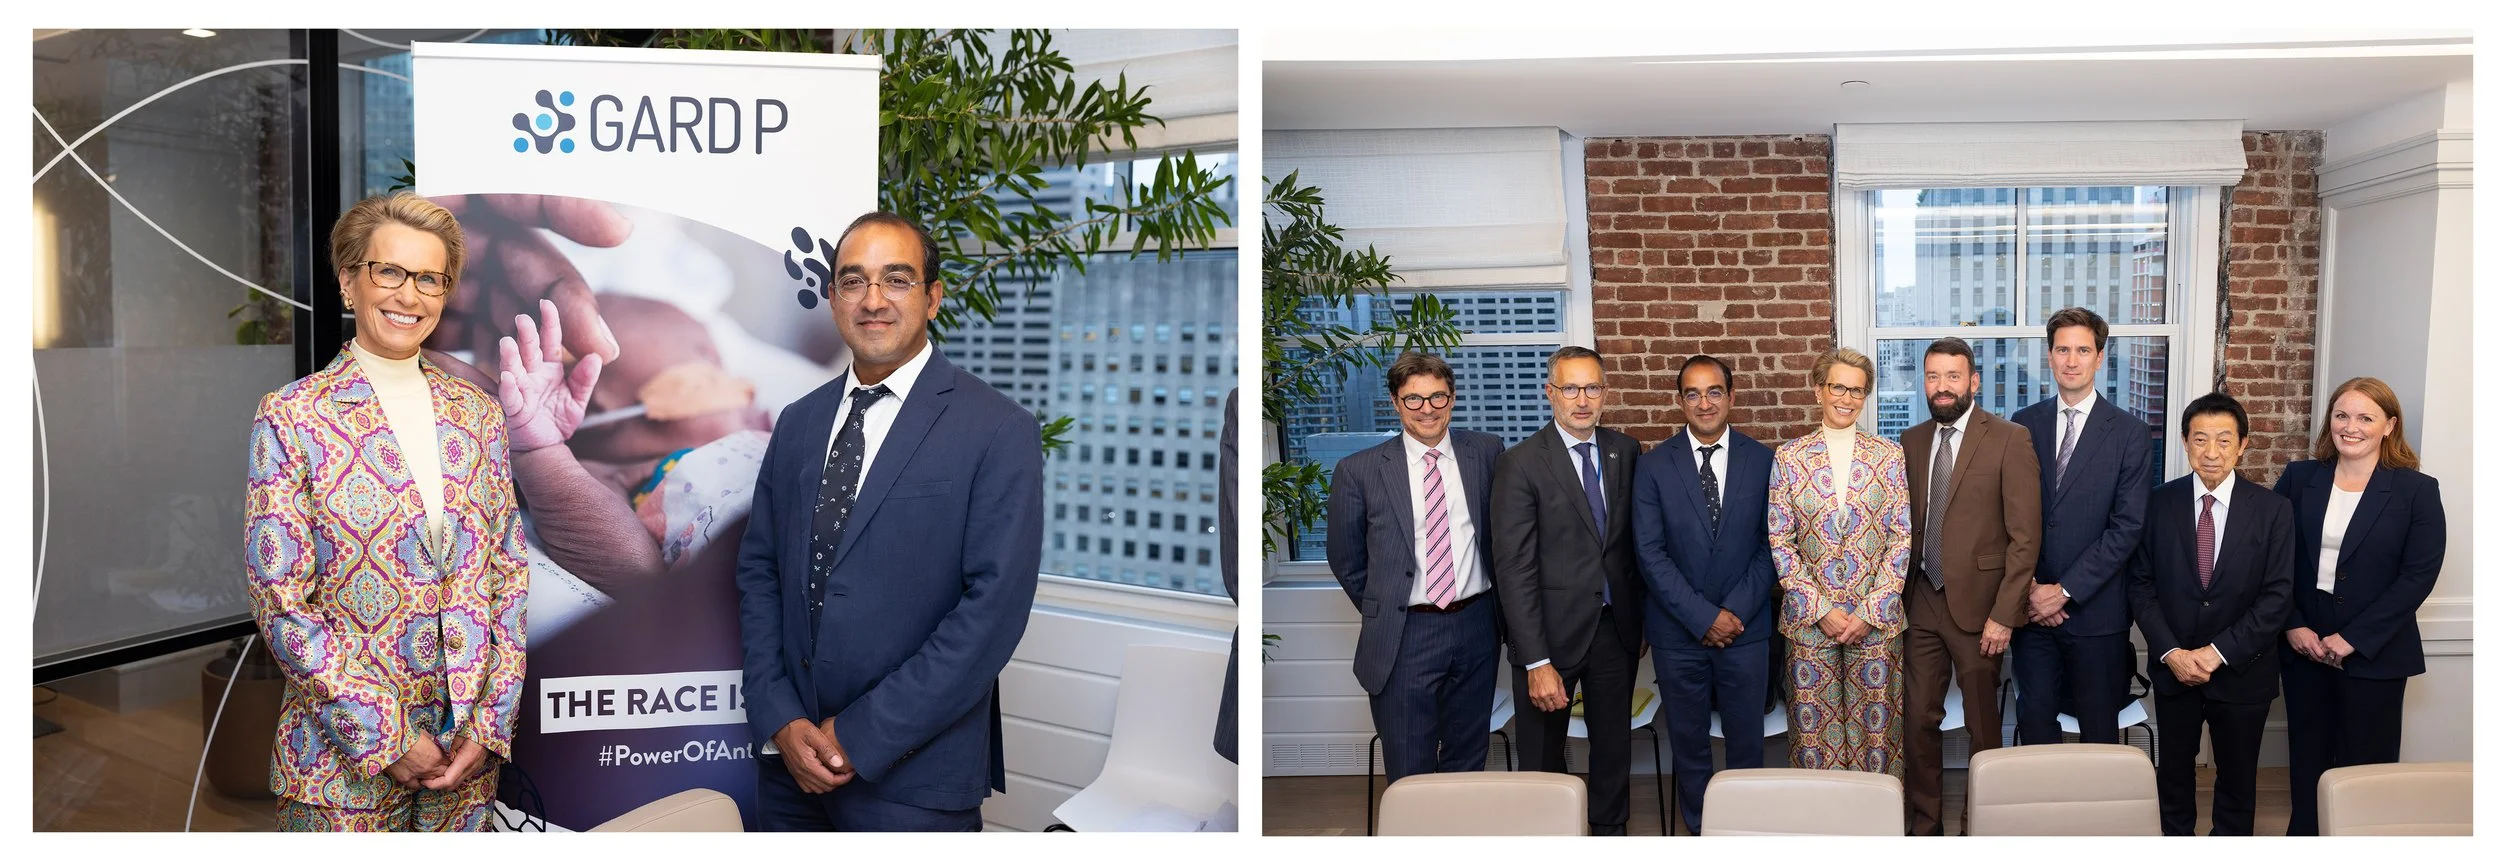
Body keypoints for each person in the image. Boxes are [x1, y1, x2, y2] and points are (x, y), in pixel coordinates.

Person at [732, 212, 1042, 831]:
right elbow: (759, 571)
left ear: (933, 297)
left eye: (897, 280)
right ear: (833, 298)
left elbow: (991, 613)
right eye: (854, 281)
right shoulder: (798, 421)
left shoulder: (998, 430)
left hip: (913, 780)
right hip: (790, 768)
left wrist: (859, 735)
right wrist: (779, 716)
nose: (873, 300)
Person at [243, 192, 525, 831]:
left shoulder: (477, 414)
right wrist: (386, 735)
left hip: (463, 757)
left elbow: (507, 573)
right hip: (338, 767)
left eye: (429, 278)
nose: (409, 295)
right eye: (390, 271)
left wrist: (490, 722)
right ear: (349, 281)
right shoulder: (293, 417)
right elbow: (281, 602)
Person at [2275, 377, 2446, 835]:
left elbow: (2418, 576)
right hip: (2305, 645)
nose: (2351, 427)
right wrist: (2292, 624)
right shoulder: (2299, 478)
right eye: (2342, 415)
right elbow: (2271, 560)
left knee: (2366, 770)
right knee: (2308, 761)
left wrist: (2353, 638)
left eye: (2366, 418)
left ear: (2389, 425)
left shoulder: (2416, 490)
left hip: (2377, 650)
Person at [1326, 350, 1505, 784]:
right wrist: (1388, 605)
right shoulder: (1359, 470)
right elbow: (1346, 559)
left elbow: (1503, 535)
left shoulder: (1486, 451)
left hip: (1477, 625)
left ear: (1452, 398)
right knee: (1409, 762)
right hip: (1405, 632)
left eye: (1438, 397)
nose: (1427, 408)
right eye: (1414, 399)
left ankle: (1458, 826)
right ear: (1395, 402)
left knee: (1468, 754)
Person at [1488, 347, 1643, 835]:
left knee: (1613, 750)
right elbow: (1513, 568)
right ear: (1550, 393)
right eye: (1570, 388)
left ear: (1605, 393)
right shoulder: (1520, 463)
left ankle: (1609, 838)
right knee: (1542, 757)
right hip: (1548, 640)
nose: (1582, 400)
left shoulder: (1625, 450)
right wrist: (1536, 661)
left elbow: (1629, 546)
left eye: (1592, 388)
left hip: (1614, 632)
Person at [2127, 391, 2295, 836]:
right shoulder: (2157, 503)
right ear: (2185, 442)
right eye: (2200, 439)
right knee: (2173, 775)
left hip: (2243, 671)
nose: (2211, 452)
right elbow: (2140, 585)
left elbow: (2277, 596)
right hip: (2175, 668)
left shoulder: (2273, 510)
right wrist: (2172, 653)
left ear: (2243, 445)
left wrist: (2216, 653)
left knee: (2238, 780)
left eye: (2224, 440)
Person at [1899, 337, 2041, 835]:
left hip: (1982, 610)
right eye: (1933, 377)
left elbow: (2025, 538)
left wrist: (2004, 615)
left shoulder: (2009, 438)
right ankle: (1925, 826)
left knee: (1983, 724)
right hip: (1921, 600)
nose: (1942, 387)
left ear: (1973, 381)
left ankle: (1980, 826)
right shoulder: (1910, 441)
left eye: (1953, 376)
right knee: (1917, 718)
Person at [1633, 354, 1777, 834]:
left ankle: (1746, 835)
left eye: (1714, 391)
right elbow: (1650, 554)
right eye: (1692, 394)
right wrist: (1703, 617)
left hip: (1745, 630)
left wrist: (1733, 611)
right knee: (1689, 746)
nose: (1704, 403)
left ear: (1731, 396)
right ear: (1680, 401)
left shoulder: (1764, 460)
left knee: (1747, 746)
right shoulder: (1653, 466)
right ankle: (1701, 835)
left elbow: (1773, 545)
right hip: (1679, 635)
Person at [2008, 308, 2151, 748]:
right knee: (2035, 724)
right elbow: (2008, 515)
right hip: (2032, 612)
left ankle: (2096, 801)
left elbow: (2126, 528)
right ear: (2050, 356)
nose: (2072, 361)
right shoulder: (2022, 424)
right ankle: (2045, 798)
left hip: (2097, 615)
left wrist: (2064, 591)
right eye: (2062, 350)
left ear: (2100, 357)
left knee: (2099, 733)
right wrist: (2033, 589)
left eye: (2083, 350)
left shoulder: (2130, 432)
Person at [1767, 348, 1912, 778]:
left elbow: (1901, 538)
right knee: (1815, 742)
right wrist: (1821, 610)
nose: (1847, 398)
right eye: (1838, 387)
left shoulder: (1889, 455)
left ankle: (1878, 816)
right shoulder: (1789, 457)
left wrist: (1869, 611)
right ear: (1819, 390)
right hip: (1810, 624)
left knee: (1878, 738)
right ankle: (1823, 817)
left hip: (1876, 623)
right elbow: (1780, 541)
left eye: (1857, 390)